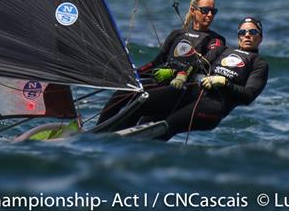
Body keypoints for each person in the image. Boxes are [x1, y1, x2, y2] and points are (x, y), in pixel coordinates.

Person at [112, 16, 269, 141]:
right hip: (191, 92)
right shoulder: (223, 50)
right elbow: (196, 64)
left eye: (252, 32)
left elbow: (248, 96)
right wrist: (180, 76)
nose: (247, 35)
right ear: (238, 36)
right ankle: (109, 136)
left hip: (213, 105)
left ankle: (136, 151)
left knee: (165, 127)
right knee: (143, 101)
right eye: (243, 32)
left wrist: (224, 82)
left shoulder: (259, 63)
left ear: (260, 37)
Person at [96, 0, 226, 125]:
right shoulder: (177, 34)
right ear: (193, 11)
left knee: (142, 99)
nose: (210, 15)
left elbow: (202, 63)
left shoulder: (215, 40)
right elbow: (157, 62)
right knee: (123, 92)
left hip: (183, 88)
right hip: (162, 83)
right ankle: (98, 129)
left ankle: (119, 131)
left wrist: (179, 74)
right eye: (205, 10)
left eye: (213, 11)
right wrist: (134, 74)